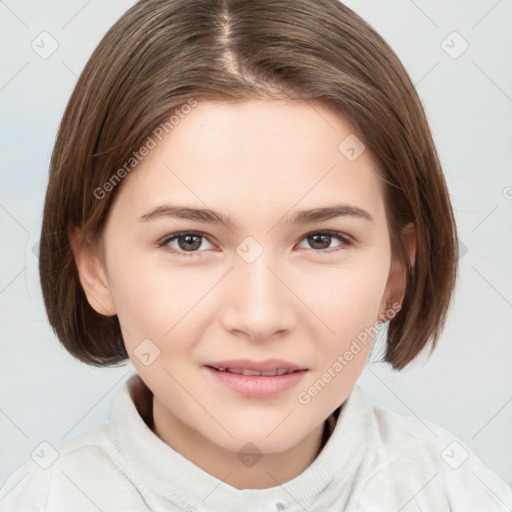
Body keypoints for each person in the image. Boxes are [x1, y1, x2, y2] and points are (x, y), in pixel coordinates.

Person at [1, 0, 511, 510]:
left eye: (321, 239)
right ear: (95, 268)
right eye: (189, 241)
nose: (260, 317)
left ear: (396, 272)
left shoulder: (455, 494)